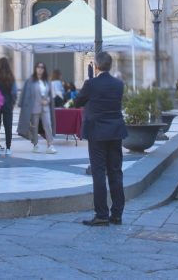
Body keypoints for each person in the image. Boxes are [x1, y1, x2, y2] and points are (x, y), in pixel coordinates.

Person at [73, 51, 127, 226]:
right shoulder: (119, 84)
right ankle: (117, 213)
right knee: (115, 171)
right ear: (110, 65)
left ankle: (102, 214)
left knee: (99, 172)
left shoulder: (91, 84)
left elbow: (78, 102)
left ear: (96, 66)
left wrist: (89, 83)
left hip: (97, 132)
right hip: (115, 131)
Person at [18, 62, 57, 154]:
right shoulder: (30, 81)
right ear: (35, 69)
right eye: (38, 67)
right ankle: (35, 144)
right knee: (34, 127)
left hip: (45, 107)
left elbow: (50, 95)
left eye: (42, 67)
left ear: (44, 69)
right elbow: (25, 94)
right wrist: (23, 105)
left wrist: (47, 100)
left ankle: (50, 145)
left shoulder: (47, 81)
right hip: (34, 107)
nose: (40, 69)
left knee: (48, 125)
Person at [0, 57, 18, 156]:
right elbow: (14, 91)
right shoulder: (11, 76)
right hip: (7, 104)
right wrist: (13, 103)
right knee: (8, 126)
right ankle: (8, 148)